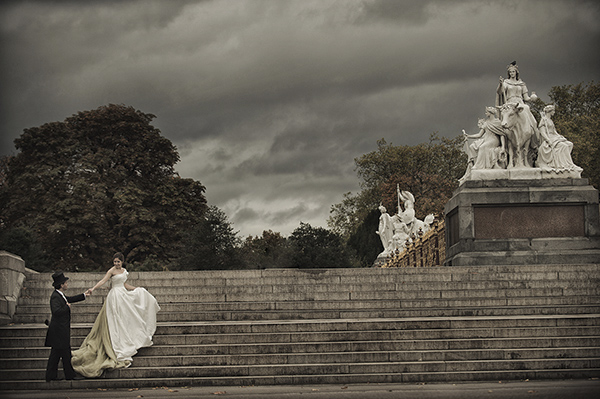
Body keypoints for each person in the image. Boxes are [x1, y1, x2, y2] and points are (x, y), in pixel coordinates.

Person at [71, 252, 160, 378]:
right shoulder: (111, 271)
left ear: (122, 261)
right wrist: (93, 289)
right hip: (115, 297)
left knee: (127, 318)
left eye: (118, 261)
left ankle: (128, 337)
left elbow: (124, 284)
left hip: (123, 295)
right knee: (116, 319)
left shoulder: (124, 271)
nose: (116, 264)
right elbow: (103, 280)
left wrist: (136, 289)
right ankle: (116, 341)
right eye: (115, 262)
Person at [45, 271, 90, 382]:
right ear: (61, 285)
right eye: (65, 282)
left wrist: (84, 295)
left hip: (60, 330)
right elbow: (56, 311)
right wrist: (67, 307)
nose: (67, 284)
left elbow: (70, 299)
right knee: (62, 354)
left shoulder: (60, 295)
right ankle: (67, 375)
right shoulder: (55, 296)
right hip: (59, 331)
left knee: (58, 354)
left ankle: (53, 376)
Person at [536, 104, 582, 172]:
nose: (554, 112)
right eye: (553, 111)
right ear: (550, 111)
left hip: (554, 137)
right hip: (549, 138)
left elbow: (554, 131)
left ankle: (568, 163)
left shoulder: (550, 120)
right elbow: (542, 132)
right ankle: (564, 165)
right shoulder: (544, 120)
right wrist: (548, 140)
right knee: (564, 146)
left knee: (570, 144)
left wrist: (560, 136)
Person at [496, 61, 539, 132]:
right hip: (510, 103)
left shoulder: (521, 84)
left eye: (513, 72)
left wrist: (531, 98)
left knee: (526, 108)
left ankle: (533, 129)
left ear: (516, 72)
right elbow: (500, 92)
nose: (512, 73)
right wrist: (500, 84)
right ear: (509, 73)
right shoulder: (506, 82)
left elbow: (526, 98)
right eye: (510, 72)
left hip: (520, 103)